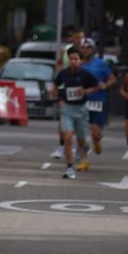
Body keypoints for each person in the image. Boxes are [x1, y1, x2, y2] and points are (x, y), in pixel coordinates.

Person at [53, 45, 102, 179]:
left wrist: (86, 91)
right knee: (68, 137)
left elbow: (97, 86)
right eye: (71, 58)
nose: (73, 61)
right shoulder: (63, 73)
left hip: (81, 110)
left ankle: (84, 148)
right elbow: (56, 86)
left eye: (76, 59)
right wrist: (59, 99)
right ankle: (69, 168)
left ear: (81, 61)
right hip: (67, 109)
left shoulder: (86, 74)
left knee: (80, 141)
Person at [50, 26, 86, 160]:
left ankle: (79, 147)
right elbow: (59, 65)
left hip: (80, 87)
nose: (80, 40)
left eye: (82, 38)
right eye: (77, 38)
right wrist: (56, 84)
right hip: (65, 87)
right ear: (72, 38)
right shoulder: (65, 51)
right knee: (63, 116)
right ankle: (61, 146)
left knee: (79, 119)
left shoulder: (85, 50)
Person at [80, 38, 114, 163]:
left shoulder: (101, 64)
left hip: (98, 101)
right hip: (82, 101)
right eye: (83, 47)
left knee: (95, 133)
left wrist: (105, 85)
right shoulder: (78, 64)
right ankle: (84, 161)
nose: (85, 50)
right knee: (81, 133)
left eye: (87, 47)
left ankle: (97, 141)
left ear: (93, 50)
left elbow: (112, 78)